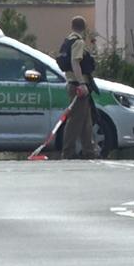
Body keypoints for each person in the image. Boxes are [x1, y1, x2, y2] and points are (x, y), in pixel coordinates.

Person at [59, 16, 99, 159]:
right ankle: (68, 152)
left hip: (73, 83)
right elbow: (75, 62)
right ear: (85, 27)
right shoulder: (78, 42)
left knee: (85, 121)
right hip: (78, 86)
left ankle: (89, 151)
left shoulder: (68, 41)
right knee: (75, 120)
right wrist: (81, 83)